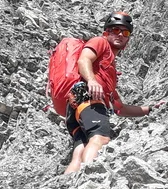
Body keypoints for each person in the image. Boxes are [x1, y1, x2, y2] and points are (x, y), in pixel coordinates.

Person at [64, 12, 156, 174]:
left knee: (79, 151)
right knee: (100, 138)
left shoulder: (110, 73)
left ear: (128, 39)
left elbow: (120, 109)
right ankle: (89, 178)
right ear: (106, 32)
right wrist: (91, 80)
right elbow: (84, 60)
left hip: (76, 108)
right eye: (115, 30)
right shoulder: (100, 42)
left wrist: (150, 109)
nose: (120, 34)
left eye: (125, 32)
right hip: (88, 98)